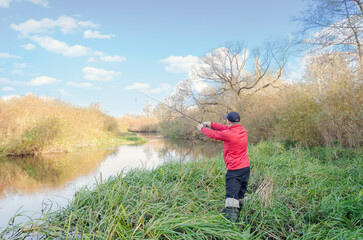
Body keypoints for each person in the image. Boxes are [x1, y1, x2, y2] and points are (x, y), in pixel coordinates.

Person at [197, 111, 250, 222]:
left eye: (227, 120)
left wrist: (202, 128)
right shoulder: (242, 130)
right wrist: (210, 124)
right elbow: (223, 127)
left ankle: (232, 223)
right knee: (240, 193)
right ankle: (241, 212)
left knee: (231, 197)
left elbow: (214, 135)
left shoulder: (228, 134)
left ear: (229, 121)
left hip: (234, 170)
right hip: (245, 168)